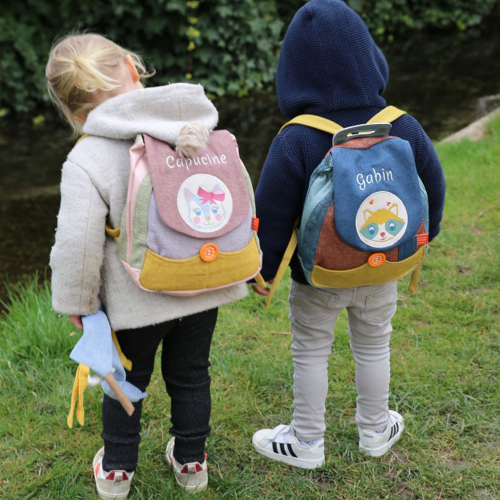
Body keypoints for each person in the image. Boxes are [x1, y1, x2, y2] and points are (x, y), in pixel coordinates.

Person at [46, 33, 249, 497]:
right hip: (202, 281)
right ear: (134, 71)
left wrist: (78, 303)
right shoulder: (194, 126)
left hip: (135, 300)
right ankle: (192, 461)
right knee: (192, 375)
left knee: (124, 380)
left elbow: (77, 243)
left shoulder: (88, 156)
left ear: (74, 111)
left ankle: (117, 470)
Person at [251, 0, 445, 468]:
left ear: (291, 72)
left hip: (318, 275)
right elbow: (433, 188)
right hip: (385, 265)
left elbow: (271, 213)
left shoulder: (296, 137)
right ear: (369, 57)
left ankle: (306, 441)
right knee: (375, 342)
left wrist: (265, 270)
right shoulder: (402, 124)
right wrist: (423, 239)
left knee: (311, 350)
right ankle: (376, 430)